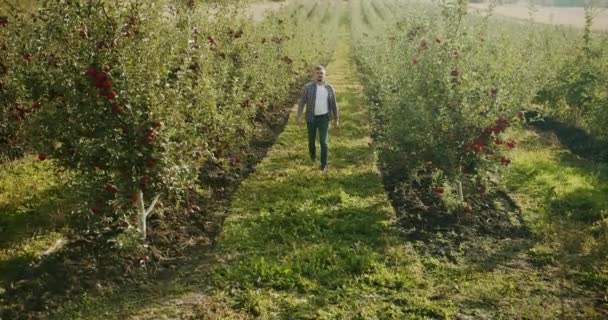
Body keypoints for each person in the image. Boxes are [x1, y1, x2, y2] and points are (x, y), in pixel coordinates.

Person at [297, 65, 339, 172]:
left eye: (322, 73)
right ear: (314, 75)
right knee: (311, 141)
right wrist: (299, 115)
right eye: (318, 73)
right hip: (311, 118)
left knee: (323, 142)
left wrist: (336, 118)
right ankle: (312, 157)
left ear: (324, 75)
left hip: (324, 118)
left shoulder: (329, 88)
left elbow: (334, 104)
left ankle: (324, 164)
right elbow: (302, 102)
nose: (320, 75)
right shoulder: (308, 88)